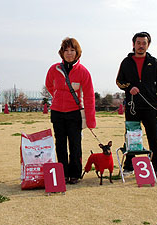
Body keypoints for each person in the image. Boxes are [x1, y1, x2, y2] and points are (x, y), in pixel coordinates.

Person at [116, 32, 157, 179]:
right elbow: (119, 81)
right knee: (132, 137)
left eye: (144, 43)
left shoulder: (154, 62)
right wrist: (129, 87)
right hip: (132, 106)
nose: (141, 46)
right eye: (138, 43)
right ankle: (129, 166)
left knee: (154, 138)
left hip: (151, 106)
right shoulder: (126, 62)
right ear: (133, 44)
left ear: (148, 45)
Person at [46, 37, 96, 184]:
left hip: (74, 113)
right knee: (60, 144)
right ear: (62, 52)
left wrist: (90, 119)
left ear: (77, 52)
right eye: (66, 50)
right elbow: (49, 85)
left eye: (72, 50)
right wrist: (57, 96)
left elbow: (89, 96)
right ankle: (62, 173)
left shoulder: (83, 72)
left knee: (75, 144)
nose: (69, 53)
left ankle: (75, 173)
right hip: (57, 112)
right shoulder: (54, 69)